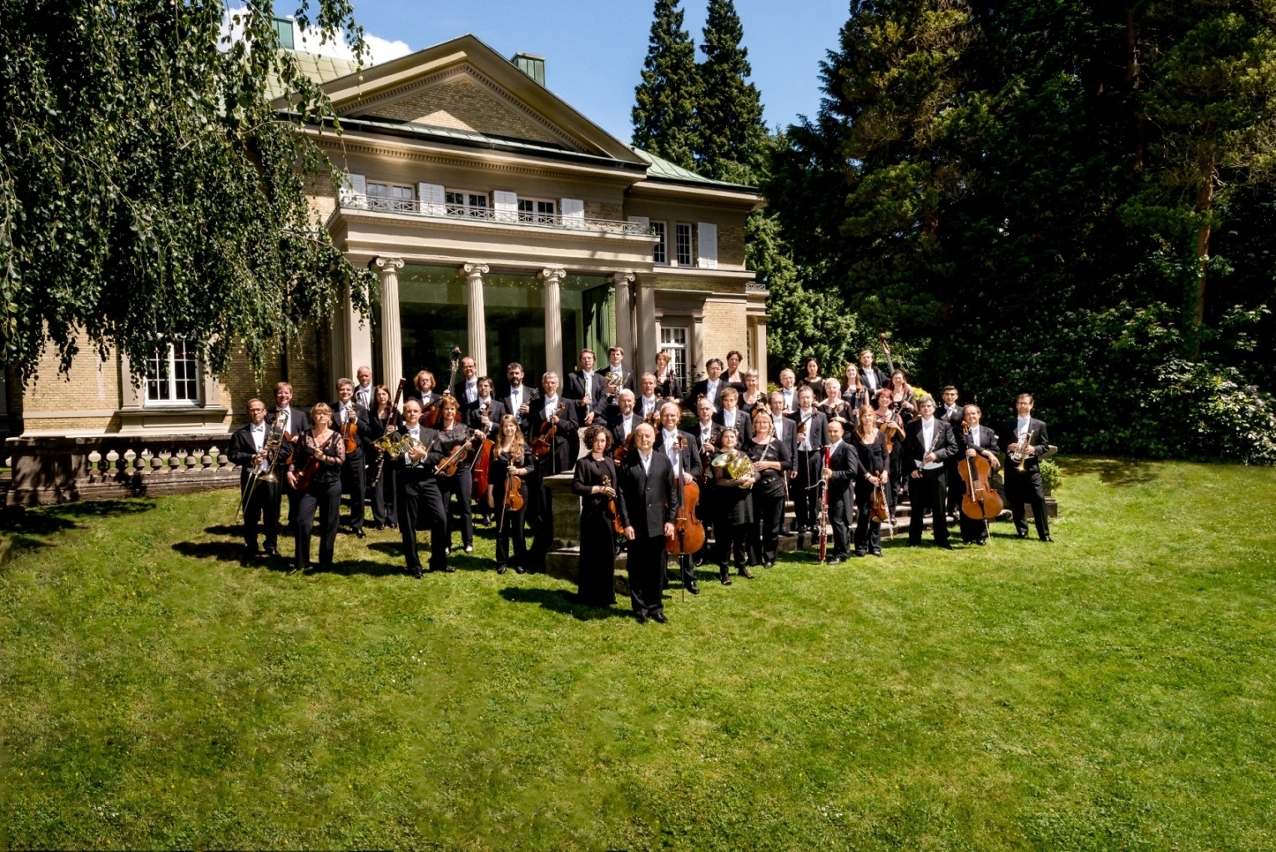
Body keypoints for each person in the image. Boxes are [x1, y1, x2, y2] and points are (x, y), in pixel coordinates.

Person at [616, 423, 679, 624]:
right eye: (641, 436)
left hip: (658, 523)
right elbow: (622, 497)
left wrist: (671, 520)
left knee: (657, 568)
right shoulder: (627, 463)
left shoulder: (664, 461)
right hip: (636, 525)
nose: (645, 439)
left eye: (648, 436)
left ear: (654, 438)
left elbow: (673, 493)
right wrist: (626, 524)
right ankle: (640, 608)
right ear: (635, 440)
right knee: (636, 568)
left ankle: (655, 607)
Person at [527, 372, 579, 569]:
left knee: (560, 487)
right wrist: (531, 450)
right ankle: (543, 531)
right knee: (542, 491)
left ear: (558, 384)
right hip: (542, 451)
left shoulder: (568, 403)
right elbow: (532, 428)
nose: (550, 385)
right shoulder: (536, 404)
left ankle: (561, 527)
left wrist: (560, 422)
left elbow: (574, 426)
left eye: (553, 382)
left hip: (561, 449)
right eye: (547, 382)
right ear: (543, 384)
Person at [286, 403, 345, 574]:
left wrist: (324, 457)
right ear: (313, 416)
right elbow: (295, 458)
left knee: (329, 524)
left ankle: (325, 562)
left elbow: (341, 460)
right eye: (317, 414)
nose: (321, 417)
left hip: (331, 484)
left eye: (324, 414)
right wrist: (290, 472)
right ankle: (301, 561)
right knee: (302, 522)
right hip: (308, 485)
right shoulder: (304, 436)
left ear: (329, 417)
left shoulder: (336, 437)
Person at [228, 398, 291, 559]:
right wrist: (250, 457)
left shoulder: (275, 431)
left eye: (258, 409)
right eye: (252, 410)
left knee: (272, 514)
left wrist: (269, 454)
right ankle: (251, 544)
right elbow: (233, 454)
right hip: (251, 477)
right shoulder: (240, 434)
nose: (255, 413)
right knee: (251, 514)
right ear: (248, 412)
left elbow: (286, 452)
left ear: (264, 412)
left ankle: (271, 545)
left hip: (270, 477)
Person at [654, 400, 702, 595]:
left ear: (678, 417)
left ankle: (689, 578)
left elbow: (698, 466)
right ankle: (661, 578)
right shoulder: (654, 439)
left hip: (684, 491)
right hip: (662, 492)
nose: (670, 418)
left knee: (685, 531)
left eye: (673, 415)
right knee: (663, 534)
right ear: (661, 417)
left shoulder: (688, 438)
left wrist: (690, 474)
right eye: (666, 415)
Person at [394, 398, 446, 577]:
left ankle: (438, 562)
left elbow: (438, 456)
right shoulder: (396, 435)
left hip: (428, 479)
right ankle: (414, 566)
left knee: (441, 518)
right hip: (407, 480)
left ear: (420, 414)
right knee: (408, 525)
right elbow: (391, 461)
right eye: (408, 411)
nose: (412, 414)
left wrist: (424, 455)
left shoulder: (431, 434)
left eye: (415, 411)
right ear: (404, 414)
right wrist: (407, 457)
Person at [571, 425, 620, 607]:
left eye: (603, 440)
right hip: (592, 515)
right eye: (596, 440)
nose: (599, 444)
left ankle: (607, 595)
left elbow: (616, 485)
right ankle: (588, 595)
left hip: (608, 514)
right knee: (591, 555)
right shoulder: (584, 463)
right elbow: (576, 487)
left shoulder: (610, 461)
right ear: (590, 441)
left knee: (607, 555)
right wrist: (599, 489)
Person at [998, 393, 1053, 542]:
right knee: (1016, 499)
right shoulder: (1007, 423)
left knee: (1038, 498)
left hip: (1030, 466)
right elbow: (1000, 444)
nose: (1023, 406)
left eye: (1026, 403)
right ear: (1016, 405)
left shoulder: (1040, 425)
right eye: (1020, 403)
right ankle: (1022, 530)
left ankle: (1044, 534)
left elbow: (1045, 445)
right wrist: (1008, 446)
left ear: (1031, 405)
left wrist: (1034, 449)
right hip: (1012, 466)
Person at [904, 395, 957, 549]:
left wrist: (936, 455)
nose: (926, 409)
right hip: (918, 471)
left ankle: (941, 538)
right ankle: (914, 538)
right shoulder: (912, 426)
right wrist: (912, 469)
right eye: (923, 406)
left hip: (937, 471)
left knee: (939, 506)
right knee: (917, 506)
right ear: (919, 409)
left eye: (929, 406)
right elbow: (906, 451)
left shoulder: (944, 426)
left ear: (934, 408)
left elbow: (953, 447)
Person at [710, 427, 755, 583]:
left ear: (736, 440)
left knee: (741, 537)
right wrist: (738, 481)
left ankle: (741, 567)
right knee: (724, 539)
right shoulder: (716, 456)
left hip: (743, 501)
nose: (729, 439)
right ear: (721, 439)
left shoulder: (742, 454)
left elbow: (755, 471)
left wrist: (752, 479)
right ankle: (724, 571)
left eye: (732, 437)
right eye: (726, 437)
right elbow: (718, 480)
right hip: (725, 502)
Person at [488, 414, 532, 574]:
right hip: (500, 491)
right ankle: (502, 561)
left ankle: (521, 561)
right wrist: (490, 494)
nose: (509, 428)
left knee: (518, 529)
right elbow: (491, 473)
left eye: (511, 425)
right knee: (501, 528)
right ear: (502, 428)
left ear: (516, 427)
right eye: (506, 426)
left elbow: (531, 467)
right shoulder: (496, 447)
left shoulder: (522, 445)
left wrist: (519, 470)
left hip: (519, 491)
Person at [747, 411, 791, 568]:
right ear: (754, 425)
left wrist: (768, 464)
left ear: (770, 425)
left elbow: (787, 463)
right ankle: (753, 557)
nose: (762, 425)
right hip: (753, 490)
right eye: (758, 422)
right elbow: (742, 463)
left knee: (771, 526)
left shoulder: (777, 444)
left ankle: (770, 557)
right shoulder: (748, 444)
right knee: (752, 525)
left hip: (774, 489)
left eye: (765, 422)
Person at [435, 396, 479, 555]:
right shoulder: (436, 430)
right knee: (444, 508)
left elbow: (471, 450)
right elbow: (435, 451)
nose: (449, 411)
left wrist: (468, 447)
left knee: (465, 506)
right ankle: (446, 543)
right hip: (445, 470)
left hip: (462, 469)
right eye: (447, 408)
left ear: (455, 411)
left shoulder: (463, 428)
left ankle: (468, 541)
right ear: (442, 411)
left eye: (452, 409)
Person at [789, 386, 829, 549]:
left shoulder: (821, 416)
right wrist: (797, 438)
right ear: (798, 399)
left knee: (815, 491)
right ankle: (801, 522)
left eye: (808, 397)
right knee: (799, 491)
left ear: (813, 398)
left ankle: (813, 521)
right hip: (798, 457)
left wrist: (826, 463)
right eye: (802, 397)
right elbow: (789, 441)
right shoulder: (792, 417)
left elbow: (826, 441)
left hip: (815, 456)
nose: (805, 400)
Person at [956, 403, 1001, 546]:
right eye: (968, 414)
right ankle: (967, 536)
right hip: (966, 473)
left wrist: (986, 454)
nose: (971, 416)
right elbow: (961, 446)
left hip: (982, 473)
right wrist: (983, 451)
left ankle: (981, 535)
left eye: (974, 413)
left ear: (979, 415)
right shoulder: (960, 431)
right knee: (967, 502)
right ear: (964, 417)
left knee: (984, 501)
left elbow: (995, 450)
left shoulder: (989, 432)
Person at [331, 378, 370, 538]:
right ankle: (333, 522)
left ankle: (357, 525)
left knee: (358, 490)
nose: (345, 392)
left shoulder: (360, 409)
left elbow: (367, 429)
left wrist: (356, 420)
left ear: (352, 392)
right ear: (338, 391)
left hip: (355, 453)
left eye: (348, 390)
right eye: (342, 389)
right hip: (336, 454)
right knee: (334, 489)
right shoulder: (331, 408)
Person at [269, 382, 311, 532]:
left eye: (286, 393)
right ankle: (274, 523)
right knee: (274, 495)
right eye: (280, 393)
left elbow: (307, 436)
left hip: (294, 459)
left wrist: (298, 438)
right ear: (275, 395)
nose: (283, 396)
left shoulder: (300, 415)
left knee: (295, 492)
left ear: (291, 396)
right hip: (275, 460)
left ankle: (293, 522)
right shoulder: (268, 415)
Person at [851, 405, 889, 557]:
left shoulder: (880, 434)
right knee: (864, 513)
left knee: (877, 513)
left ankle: (875, 546)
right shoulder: (855, 435)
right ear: (860, 418)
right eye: (864, 415)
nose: (867, 418)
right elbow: (856, 459)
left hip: (879, 479)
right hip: (864, 480)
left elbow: (886, 456)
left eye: (870, 415)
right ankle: (860, 546)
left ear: (874, 417)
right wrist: (867, 476)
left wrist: (885, 472)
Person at [821, 418, 858, 564]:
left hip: (842, 492)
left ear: (842, 432)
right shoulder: (827, 448)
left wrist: (833, 474)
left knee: (839, 521)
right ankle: (842, 549)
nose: (832, 433)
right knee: (835, 521)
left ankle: (841, 553)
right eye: (829, 431)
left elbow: (852, 471)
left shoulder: (848, 448)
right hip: (830, 491)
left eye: (835, 431)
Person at [366, 383, 398, 530]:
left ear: (388, 396)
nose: (381, 396)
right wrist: (373, 445)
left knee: (392, 486)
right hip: (376, 454)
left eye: (384, 394)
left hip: (391, 454)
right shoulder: (370, 414)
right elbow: (366, 434)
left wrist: (395, 430)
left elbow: (403, 433)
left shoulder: (395, 413)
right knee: (376, 487)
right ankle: (379, 519)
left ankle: (392, 518)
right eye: (379, 394)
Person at [874, 387, 908, 524]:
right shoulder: (873, 414)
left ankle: (891, 512)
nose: (884, 400)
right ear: (878, 399)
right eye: (882, 397)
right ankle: (878, 510)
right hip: (877, 451)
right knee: (877, 480)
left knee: (893, 482)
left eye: (887, 398)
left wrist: (897, 427)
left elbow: (903, 437)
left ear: (890, 400)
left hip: (893, 451)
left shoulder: (896, 416)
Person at [767, 390, 797, 535]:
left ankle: (781, 526)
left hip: (786, 464)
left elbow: (793, 447)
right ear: (770, 405)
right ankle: (773, 525)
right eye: (775, 402)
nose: (778, 405)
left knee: (784, 495)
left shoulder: (791, 423)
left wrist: (795, 466)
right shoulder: (766, 421)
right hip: (772, 464)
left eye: (780, 402)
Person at [937, 385, 965, 518]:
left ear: (957, 396)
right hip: (940, 449)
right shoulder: (936, 411)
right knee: (940, 480)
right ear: (943, 396)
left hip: (956, 451)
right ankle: (936, 507)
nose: (949, 397)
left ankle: (953, 507)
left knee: (955, 480)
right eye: (947, 394)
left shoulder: (963, 411)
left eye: (952, 394)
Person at [566, 348, 606, 427]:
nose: (587, 360)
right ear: (580, 361)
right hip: (578, 418)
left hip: (596, 417)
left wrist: (593, 413)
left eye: (589, 358)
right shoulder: (572, 377)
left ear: (594, 361)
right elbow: (566, 400)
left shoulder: (601, 379)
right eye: (584, 358)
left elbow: (603, 399)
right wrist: (580, 402)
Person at [502, 362, 534, 434]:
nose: (514, 375)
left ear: (522, 375)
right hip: (509, 431)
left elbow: (539, 414)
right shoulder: (502, 395)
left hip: (527, 432)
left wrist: (530, 410)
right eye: (511, 373)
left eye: (517, 373)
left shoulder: (532, 393)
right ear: (507, 375)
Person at [609, 389, 642, 455]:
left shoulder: (642, 422)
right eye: (623, 401)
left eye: (629, 401)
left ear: (634, 403)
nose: (626, 404)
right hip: (618, 461)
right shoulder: (611, 422)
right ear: (618, 403)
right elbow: (609, 446)